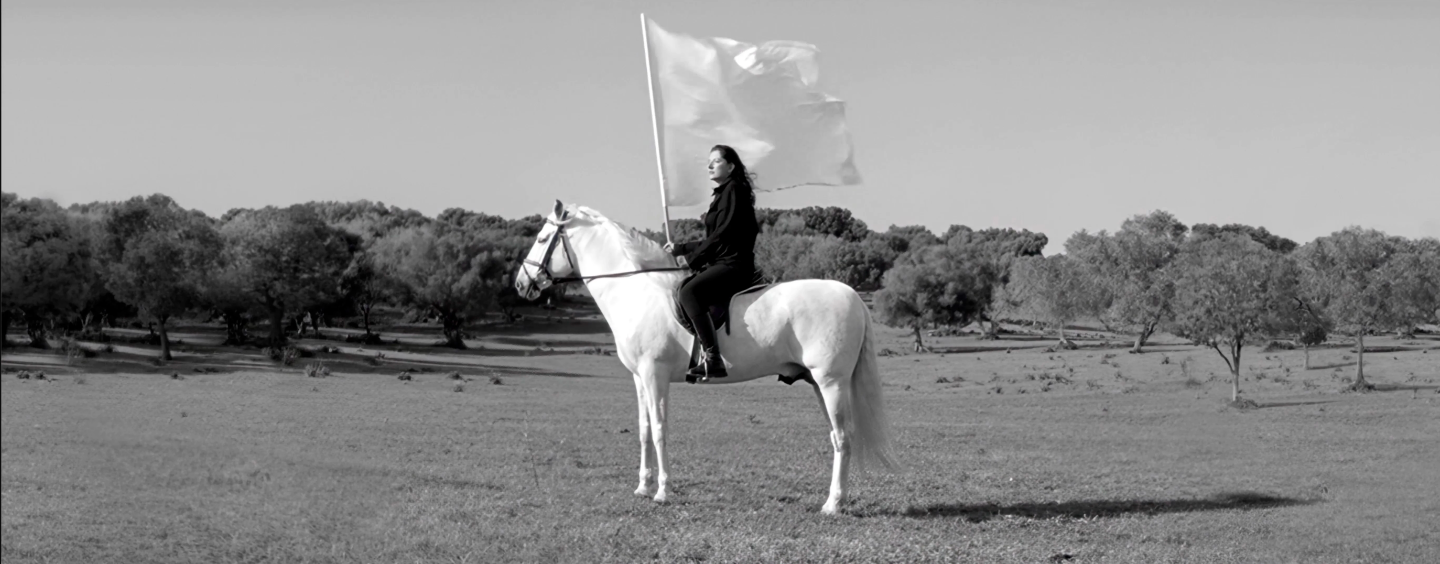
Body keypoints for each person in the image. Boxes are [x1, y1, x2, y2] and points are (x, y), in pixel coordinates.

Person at [663, 145, 761, 379]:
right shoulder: (724, 193)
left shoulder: (734, 190)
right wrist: (681, 248)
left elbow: (722, 235)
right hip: (723, 261)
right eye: (709, 161)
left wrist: (691, 258)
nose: (709, 165)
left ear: (731, 166)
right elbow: (714, 238)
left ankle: (713, 358)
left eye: (716, 161)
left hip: (734, 265)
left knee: (689, 292)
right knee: (685, 288)